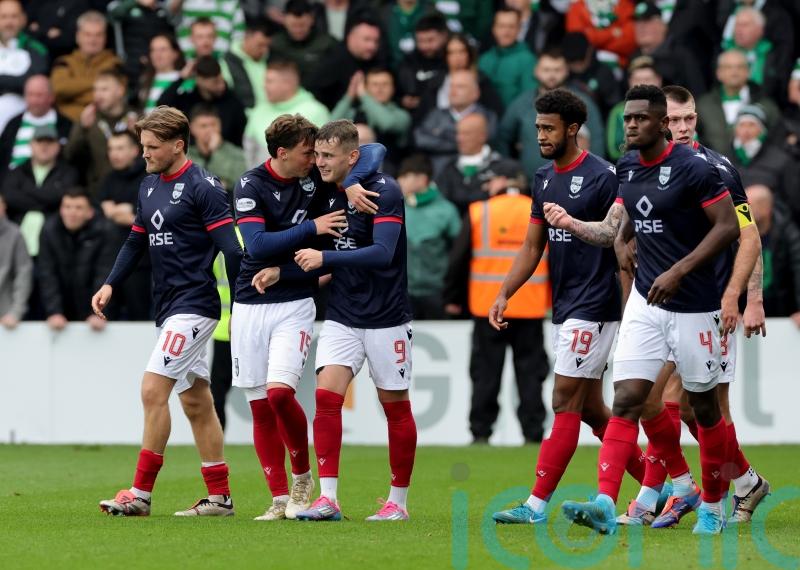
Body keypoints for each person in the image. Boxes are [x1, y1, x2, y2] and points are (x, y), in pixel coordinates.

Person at [547, 85, 739, 535]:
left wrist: (679, 270)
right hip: (645, 303)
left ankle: (710, 505)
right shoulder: (628, 168)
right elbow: (618, 226)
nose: (630, 125)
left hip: (694, 305)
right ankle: (603, 502)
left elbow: (728, 227)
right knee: (628, 399)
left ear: (662, 123)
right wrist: (594, 232)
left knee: (704, 410)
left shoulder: (695, 169)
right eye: (627, 118)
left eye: (639, 119)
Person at [491, 87, 649, 525]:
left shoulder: (604, 176)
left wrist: (627, 306)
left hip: (596, 304)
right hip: (565, 305)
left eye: (548, 128)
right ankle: (667, 486)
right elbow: (532, 245)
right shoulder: (542, 178)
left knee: (563, 400)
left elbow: (621, 245)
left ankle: (535, 505)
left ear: (573, 129)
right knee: (593, 410)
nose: (539, 134)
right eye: (538, 126)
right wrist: (505, 292)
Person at [614, 85, 769, 528]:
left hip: (709, 303)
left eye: (689, 120)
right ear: (663, 121)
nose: (682, 129)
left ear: (695, 119)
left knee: (702, 408)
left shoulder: (716, 169)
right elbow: (622, 223)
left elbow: (748, 235)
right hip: (660, 304)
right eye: (675, 120)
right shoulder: (644, 164)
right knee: (648, 402)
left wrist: (746, 296)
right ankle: (725, 484)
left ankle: (708, 492)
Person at [91, 106, 243, 517]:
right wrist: (110, 283)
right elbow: (135, 242)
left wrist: (246, 302)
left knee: (152, 389)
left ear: (178, 145)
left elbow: (231, 248)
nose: (145, 155)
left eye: (152, 147)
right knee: (197, 401)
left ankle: (140, 494)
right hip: (168, 305)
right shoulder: (148, 185)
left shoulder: (205, 187)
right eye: (143, 147)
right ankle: (220, 498)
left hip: (195, 305)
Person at [231, 114, 383, 521]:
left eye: (319, 153)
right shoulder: (250, 184)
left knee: (280, 393)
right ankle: (279, 498)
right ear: (282, 153)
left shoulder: (317, 180)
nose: (315, 160)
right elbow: (259, 245)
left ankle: (302, 478)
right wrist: (312, 226)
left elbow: (373, 151)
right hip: (249, 302)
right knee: (259, 405)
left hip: (295, 301)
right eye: (307, 152)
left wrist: (350, 181)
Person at [269, 120, 416, 522]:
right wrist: (283, 272)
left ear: (352, 157)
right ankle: (328, 498)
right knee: (325, 398)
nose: (319, 163)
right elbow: (370, 150)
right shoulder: (328, 190)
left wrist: (326, 259)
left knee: (395, 407)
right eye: (316, 155)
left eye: (328, 156)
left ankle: (397, 504)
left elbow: (383, 253)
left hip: (387, 317)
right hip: (343, 316)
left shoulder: (383, 191)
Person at [443, 130, 550, 445]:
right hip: (530, 306)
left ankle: (481, 433)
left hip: (487, 307)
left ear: (502, 181)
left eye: (490, 181)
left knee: (485, 374)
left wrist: (452, 298)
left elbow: (458, 260)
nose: (486, 186)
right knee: (531, 375)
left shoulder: (480, 211)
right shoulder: (539, 209)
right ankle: (533, 434)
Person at [38, 187, 117, 332]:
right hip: (61, 307)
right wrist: (54, 311)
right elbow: (47, 274)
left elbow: (105, 274)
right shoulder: (49, 230)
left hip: (94, 310)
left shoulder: (105, 231)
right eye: (67, 207)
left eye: (78, 208)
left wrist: (97, 312)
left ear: (90, 212)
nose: (71, 212)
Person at [397, 154, 461, 320]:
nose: (399, 180)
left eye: (405, 176)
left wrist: (454, 295)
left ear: (422, 179)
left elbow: (458, 255)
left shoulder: (446, 211)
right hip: (402, 292)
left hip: (438, 293)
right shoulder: (395, 208)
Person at [98, 130, 151, 321]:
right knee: (107, 316)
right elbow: (103, 210)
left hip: (142, 262)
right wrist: (124, 212)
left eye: (120, 148)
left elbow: (143, 217)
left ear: (135, 150)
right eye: (111, 149)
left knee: (140, 316)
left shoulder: (148, 178)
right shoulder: (108, 179)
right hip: (111, 259)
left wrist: (125, 214)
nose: (114, 154)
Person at [435, 113, 525, 218]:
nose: (459, 139)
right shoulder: (448, 168)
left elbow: (522, 198)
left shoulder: (507, 168)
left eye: (466, 134)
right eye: (458, 133)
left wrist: (507, 187)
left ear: (482, 136)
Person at [63, 69, 137, 197]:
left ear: (120, 91)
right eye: (96, 90)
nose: (98, 95)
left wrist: (138, 135)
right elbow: (70, 155)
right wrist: (82, 129)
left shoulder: (135, 118)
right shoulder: (88, 119)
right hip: (97, 193)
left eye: (104, 90)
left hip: (132, 192)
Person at [243, 60, 330, 167]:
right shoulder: (259, 109)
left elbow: (321, 155)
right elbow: (248, 151)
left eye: (269, 81)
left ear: (287, 84)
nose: (264, 86)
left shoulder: (316, 111)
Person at [414, 69, 496, 176]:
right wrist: (461, 142)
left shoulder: (488, 116)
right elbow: (421, 140)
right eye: (451, 86)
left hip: (476, 174)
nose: (453, 91)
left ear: (476, 93)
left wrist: (443, 136)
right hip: (439, 174)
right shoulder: (436, 115)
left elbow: (487, 139)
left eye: (460, 87)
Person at [695, 49, 779, 154]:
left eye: (740, 67)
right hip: (713, 167)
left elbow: (777, 138)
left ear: (748, 72)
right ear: (718, 73)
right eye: (728, 67)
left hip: (756, 167)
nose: (734, 72)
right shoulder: (703, 104)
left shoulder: (765, 104)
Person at [50, 10, 124, 124]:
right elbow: (59, 89)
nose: (92, 40)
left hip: (104, 123)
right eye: (87, 34)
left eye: (98, 35)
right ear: (78, 36)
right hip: (66, 124)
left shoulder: (115, 63)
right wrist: (98, 83)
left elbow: (115, 96)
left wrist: (71, 96)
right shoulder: (64, 62)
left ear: (105, 38)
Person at [158, 56, 247, 148]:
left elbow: (239, 133)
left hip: (225, 153)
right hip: (192, 153)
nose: (221, 86)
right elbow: (162, 106)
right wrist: (181, 78)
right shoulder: (187, 100)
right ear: (199, 80)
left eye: (221, 79)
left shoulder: (232, 101)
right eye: (215, 82)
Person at [1, 125, 78, 229]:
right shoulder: (16, 172)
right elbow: (10, 197)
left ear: (58, 146)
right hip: (17, 230)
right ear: (31, 144)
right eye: (39, 141)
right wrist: (48, 202)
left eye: (49, 142)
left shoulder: (68, 172)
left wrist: (27, 190)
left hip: (55, 232)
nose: (44, 146)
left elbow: (62, 198)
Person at [747, 184, 800, 324]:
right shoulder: (735, 234)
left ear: (766, 209)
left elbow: (798, 268)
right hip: (746, 313)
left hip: (784, 314)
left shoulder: (789, 234)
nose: (742, 210)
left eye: (748, 205)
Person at [330, 67, 412, 158]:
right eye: (374, 84)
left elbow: (386, 124)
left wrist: (363, 95)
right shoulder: (356, 112)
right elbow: (331, 127)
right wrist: (350, 95)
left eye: (385, 84)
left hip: (387, 167)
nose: (380, 89)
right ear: (366, 87)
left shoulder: (401, 115)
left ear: (393, 88)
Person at [0, 75, 72, 170]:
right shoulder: (13, 124)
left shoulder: (65, 125)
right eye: (30, 95)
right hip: (12, 180)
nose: (34, 100)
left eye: (39, 95)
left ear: (51, 97)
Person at [0, 0, 48, 134]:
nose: (9, 22)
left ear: (23, 19)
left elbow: (33, 82)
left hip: (21, 120)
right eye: (3, 17)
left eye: (14, 16)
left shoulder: (35, 48)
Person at [478, 7, 537, 108]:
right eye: (501, 26)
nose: (506, 32)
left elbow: (528, 99)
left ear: (519, 29)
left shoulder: (528, 60)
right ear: (494, 29)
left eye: (511, 26)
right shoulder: (484, 59)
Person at [269, 0, 337, 87]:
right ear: (285, 20)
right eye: (293, 25)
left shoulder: (327, 43)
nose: (298, 30)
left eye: (302, 25)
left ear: (311, 19)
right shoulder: (275, 44)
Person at [396, 13, 449, 118]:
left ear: (444, 36)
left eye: (430, 40)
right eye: (420, 41)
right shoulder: (408, 61)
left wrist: (424, 101)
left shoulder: (451, 60)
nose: (425, 46)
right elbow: (397, 91)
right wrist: (402, 100)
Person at [187, 104, 247, 191]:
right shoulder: (186, 155)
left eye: (213, 124)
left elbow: (240, 182)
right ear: (192, 128)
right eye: (203, 126)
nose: (209, 130)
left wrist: (216, 151)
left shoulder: (236, 153)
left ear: (220, 125)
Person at [220, 20, 271, 109]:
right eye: (260, 45)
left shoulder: (270, 59)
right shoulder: (227, 62)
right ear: (247, 37)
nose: (264, 50)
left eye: (267, 46)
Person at [0, 193, 32, 329]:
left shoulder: (15, 234)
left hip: (5, 316)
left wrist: (16, 312)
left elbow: (23, 274)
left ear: (4, 207)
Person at [171, 0, 246, 59]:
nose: (205, 41)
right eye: (200, 37)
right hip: (186, 62)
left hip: (222, 62)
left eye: (210, 36)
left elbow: (239, 37)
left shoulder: (232, 3)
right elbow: (169, 12)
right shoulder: (182, 3)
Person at [138, 34, 184, 115]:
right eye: (153, 50)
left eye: (163, 49)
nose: (157, 54)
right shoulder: (144, 80)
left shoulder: (184, 79)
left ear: (175, 53)